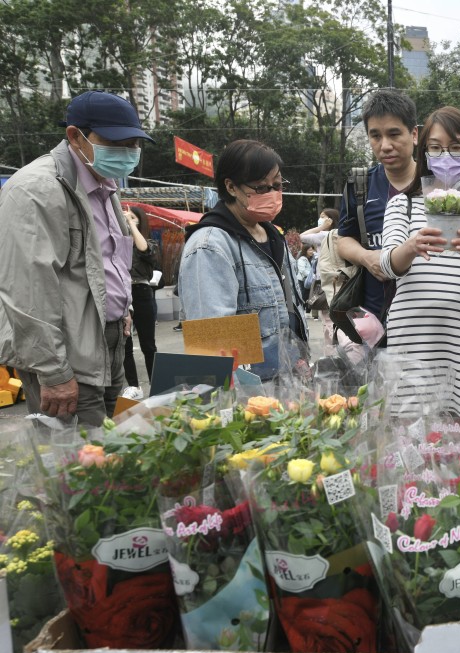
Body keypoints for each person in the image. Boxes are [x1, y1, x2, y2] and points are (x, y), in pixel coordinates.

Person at [0, 91, 152, 425]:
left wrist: (122, 309)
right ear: (75, 136)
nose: (129, 153)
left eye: (134, 144)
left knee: (117, 452)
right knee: (78, 464)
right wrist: (53, 372)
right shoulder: (36, 189)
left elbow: (110, 259)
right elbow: (28, 291)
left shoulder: (105, 185)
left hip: (110, 345)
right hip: (68, 356)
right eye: (117, 142)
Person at [379, 106, 460, 421]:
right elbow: (386, 265)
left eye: (456, 147)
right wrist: (410, 247)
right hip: (414, 341)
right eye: (435, 147)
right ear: (424, 152)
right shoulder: (403, 204)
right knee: (411, 439)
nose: (445, 155)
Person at [178, 139, 308, 381]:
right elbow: (212, 345)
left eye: (277, 185)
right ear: (231, 187)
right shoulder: (210, 246)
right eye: (261, 188)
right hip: (250, 396)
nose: (272, 194)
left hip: (290, 383)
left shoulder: (273, 237)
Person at [336, 89, 419, 322]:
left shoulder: (438, 187)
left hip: (427, 324)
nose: (385, 145)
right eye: (376, 136)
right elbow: (343, 240)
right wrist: (366, 257)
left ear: (414, 134)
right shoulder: (360, 185)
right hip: (374, 323)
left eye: (394, 134)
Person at [122, 204, 160, 396]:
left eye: (133, 217)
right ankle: (134, 386)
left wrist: (132, 224)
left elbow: (145, 251)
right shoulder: (119, 242)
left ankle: (156, 384)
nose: (128, 220)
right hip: (122, 293)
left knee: (148, 344)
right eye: (126, 217)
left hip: (141, 291)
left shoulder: (149, 242)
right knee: (125, 344)